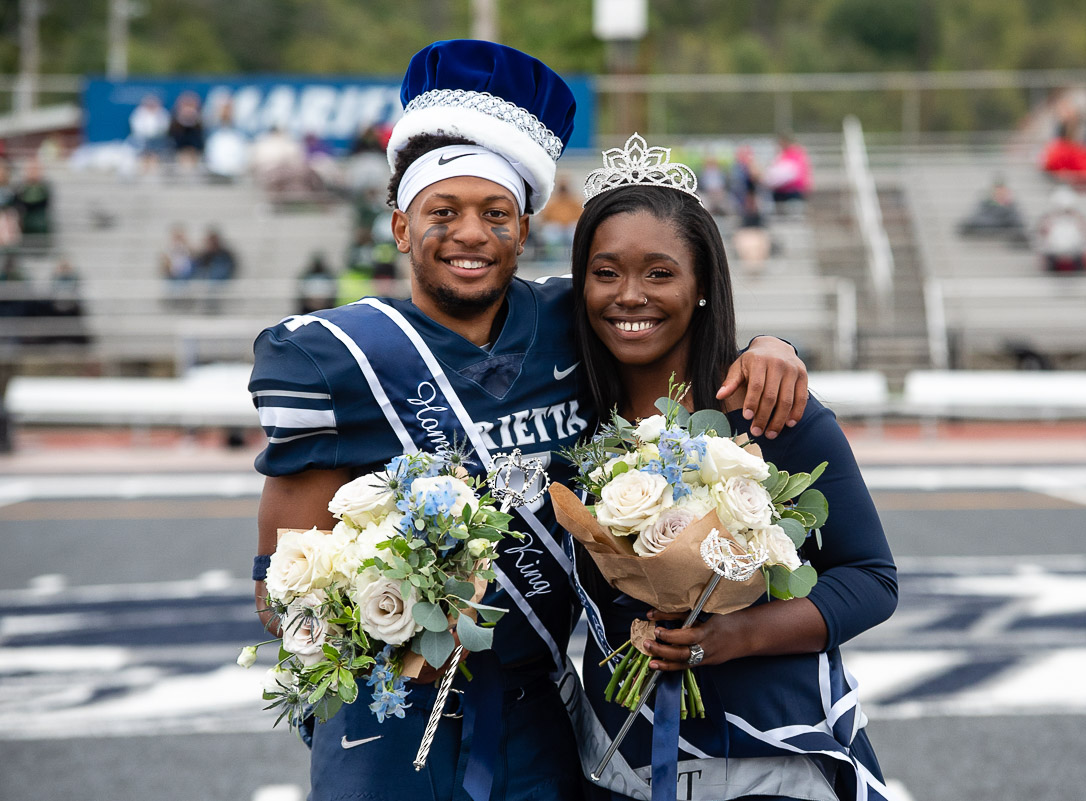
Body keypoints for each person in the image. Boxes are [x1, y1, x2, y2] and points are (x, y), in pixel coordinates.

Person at [247, 40, 810, 801]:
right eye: (442, 211)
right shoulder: (335, 356)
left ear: (525, 227)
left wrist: (772, 346)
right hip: (388, 720)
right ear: (401, 226)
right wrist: (395, 616)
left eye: (495, 213)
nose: (471, 234)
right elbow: (279, 587)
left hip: (536, 710)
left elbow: (667, 327)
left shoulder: (569, 322)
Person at [568, 133, 897, 801]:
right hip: (619, 753)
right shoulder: (570, 422)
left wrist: (734, 636)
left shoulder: (769, 409)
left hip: (769, 748)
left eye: (660, 273)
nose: (629, 295)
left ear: (702, 286)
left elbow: (870, 579)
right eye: (606, 272)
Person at [1036, 186, 1086, 273]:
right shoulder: (1047, 220)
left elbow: (1085, 238)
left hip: (1074, 254)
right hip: (1054, 255)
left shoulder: (1079, 220)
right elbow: (1042, 240)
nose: (1064, 212)